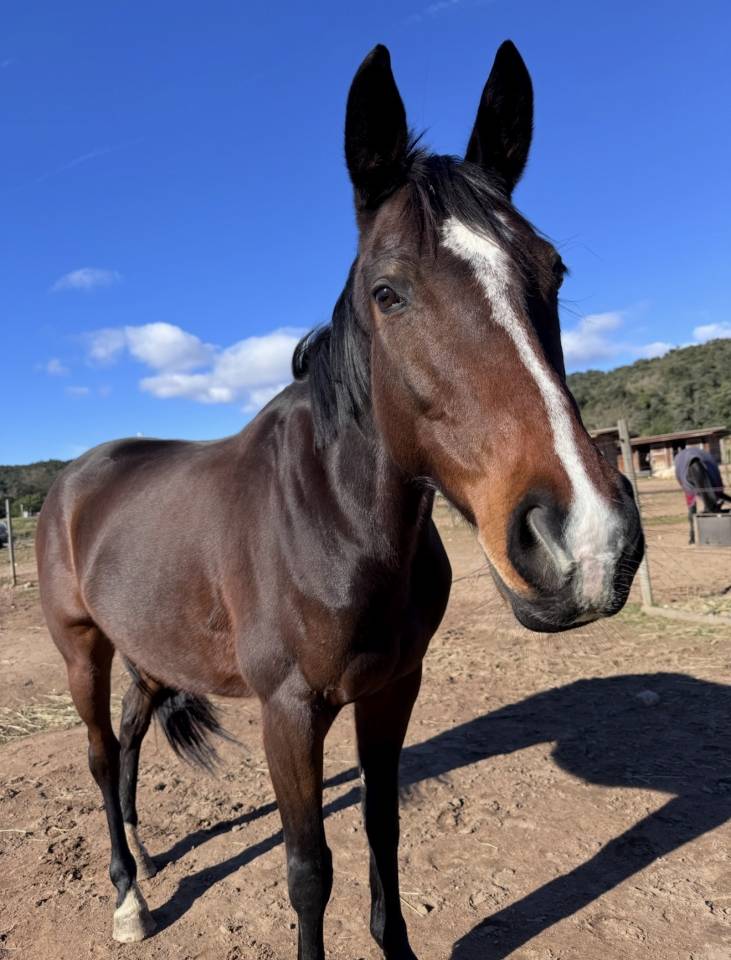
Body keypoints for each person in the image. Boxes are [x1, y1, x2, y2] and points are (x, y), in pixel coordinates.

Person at [674, 446, 730, 544]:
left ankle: (693, 537)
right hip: (686, 474)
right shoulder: (685, 477)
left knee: (712, 492)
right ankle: (692, 534)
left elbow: (717, 492)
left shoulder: (712, 474)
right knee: (692, 506)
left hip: (706, 466)